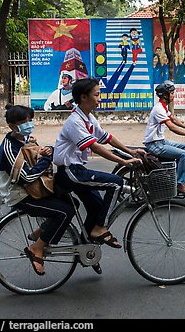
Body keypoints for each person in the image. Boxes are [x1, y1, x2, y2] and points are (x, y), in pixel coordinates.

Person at [53, 78, 143, 250]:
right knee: (116, 183)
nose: (99, 98)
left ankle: (85, 248)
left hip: (78, 170)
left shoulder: (88, 118)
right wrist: (123, 161)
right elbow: (95, 146)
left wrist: (131, 151)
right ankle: (100, 229)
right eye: (97, 95)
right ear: (84, 97)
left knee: (96, 208)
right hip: (70, 172)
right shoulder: (75, 122)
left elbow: (106, 138)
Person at [0, 104, 77, 275]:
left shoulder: (24, 139)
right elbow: (26, 177)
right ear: (12, 126)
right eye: (23, 122)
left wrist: (48, 150)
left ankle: (41, 232)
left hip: (34, 189)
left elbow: (38, 155)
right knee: (64, 212)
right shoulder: (9, 149)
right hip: (21, 195)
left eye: (30, 120)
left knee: (72, 202)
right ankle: (37, 248)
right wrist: (46, 160)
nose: (28, 124)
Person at [143, 80, 185, 195]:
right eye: (172, 93)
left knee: (184, 147)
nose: (173, 95)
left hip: (160, 141)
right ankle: (179, 184)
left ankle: (174, 173)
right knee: (184, 155)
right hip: (154, 145)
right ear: (165, 95)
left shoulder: (163, 107)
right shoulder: (159, 109)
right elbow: (172, 127)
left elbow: (173, 119)